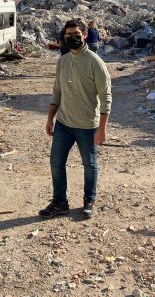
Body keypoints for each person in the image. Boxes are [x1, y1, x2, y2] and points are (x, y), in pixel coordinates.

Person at [40, 20, 112, 219]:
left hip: (87, 125)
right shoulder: (62, 62)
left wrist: (102, 128)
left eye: (76, 33)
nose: (72, 37)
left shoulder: (95, 62)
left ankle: (89, 200)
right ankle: (60, 203)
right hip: (64, 123)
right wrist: (50, 118)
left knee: (89, 164)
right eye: (68, 34)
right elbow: (57, 91)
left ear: (85, 35)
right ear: (64, 37)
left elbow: (106, 96)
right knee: (56, 163)